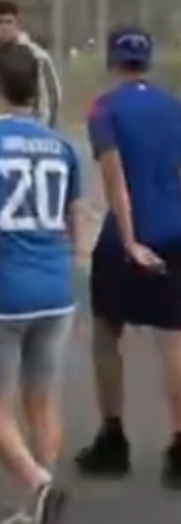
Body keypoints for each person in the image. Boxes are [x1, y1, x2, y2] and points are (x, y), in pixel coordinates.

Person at [0, 44, 82, 524]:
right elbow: (74, 222)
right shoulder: (63, 146)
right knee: (42, 399)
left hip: (5, 287)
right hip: (56, 286)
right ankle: (37, 504)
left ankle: (36, 484)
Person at [73, 27, 181, 487]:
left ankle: (113, 436)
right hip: (174, 227)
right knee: (173, 337)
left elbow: (115, 178)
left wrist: (133, 240)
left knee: (106, 331)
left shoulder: (105, 108)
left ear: (112, 61)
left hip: (126, 235)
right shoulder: (174, 106)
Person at [0, 0, 62, 128]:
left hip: (33, 130)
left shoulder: (38, 57)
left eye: (9, 22)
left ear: (17, 24)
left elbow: (51, 99)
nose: (4, 27)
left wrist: (43, 130)